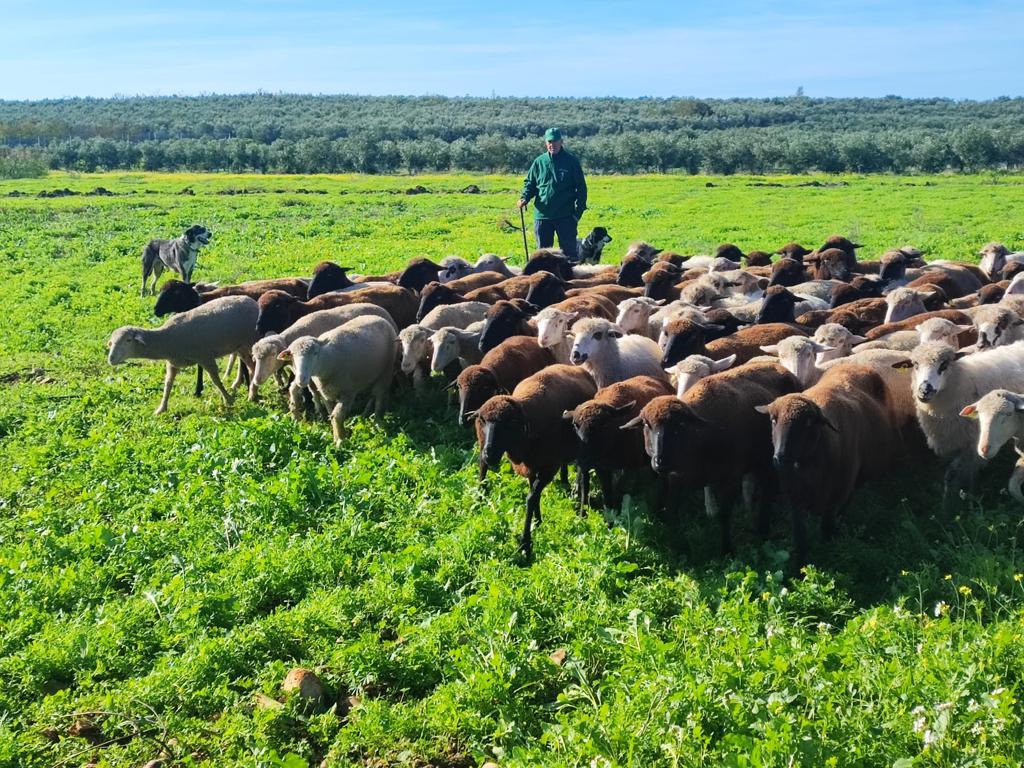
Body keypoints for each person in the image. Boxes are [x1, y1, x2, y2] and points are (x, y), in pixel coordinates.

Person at [517, 127, 587, 263]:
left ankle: (570, 277)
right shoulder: (539, 162)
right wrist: (524, 198)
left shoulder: (571, 162)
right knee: (543, 257)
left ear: (561, 142)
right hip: (542, 217)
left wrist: (577, 214)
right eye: (549, 141)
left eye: (555, 141)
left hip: (566, 217)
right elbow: (530, 183)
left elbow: (581, 189)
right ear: (546, 143)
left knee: (569, 257)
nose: (552, 144)